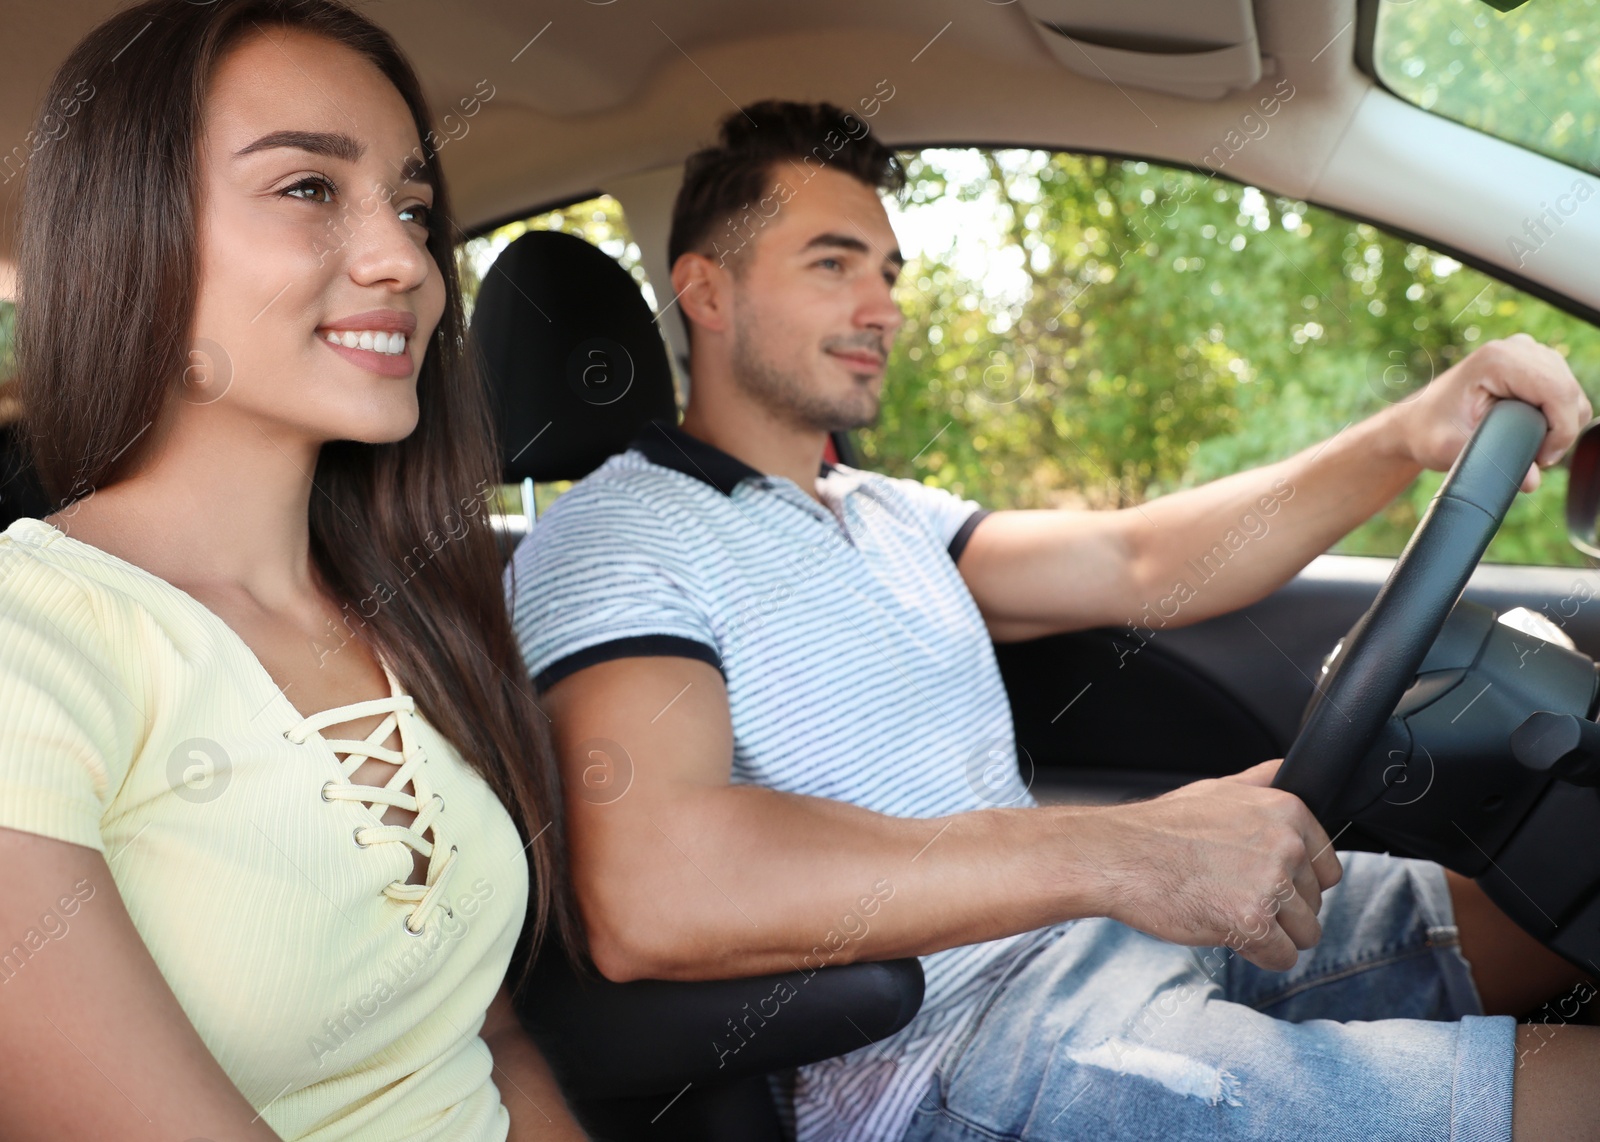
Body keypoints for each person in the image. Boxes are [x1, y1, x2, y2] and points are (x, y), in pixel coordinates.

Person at [506, 100, 1600, 1141]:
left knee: (1541, 916)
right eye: (832, 263)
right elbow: (657, 882)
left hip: (1093, 938)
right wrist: (1123, 849)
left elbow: (1143, 557)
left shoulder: (885, 510)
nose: (882, 305)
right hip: (952, 1051)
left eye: (887, 271)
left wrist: (1409, 431)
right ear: (705, 288)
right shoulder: (617, 536)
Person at [0, 2, 588, 1138]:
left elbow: (482, 1033)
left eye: (413, 208)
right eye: (310, 188)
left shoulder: (417, 610)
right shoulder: (35, 636)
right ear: (130, 233)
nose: (405, 260)